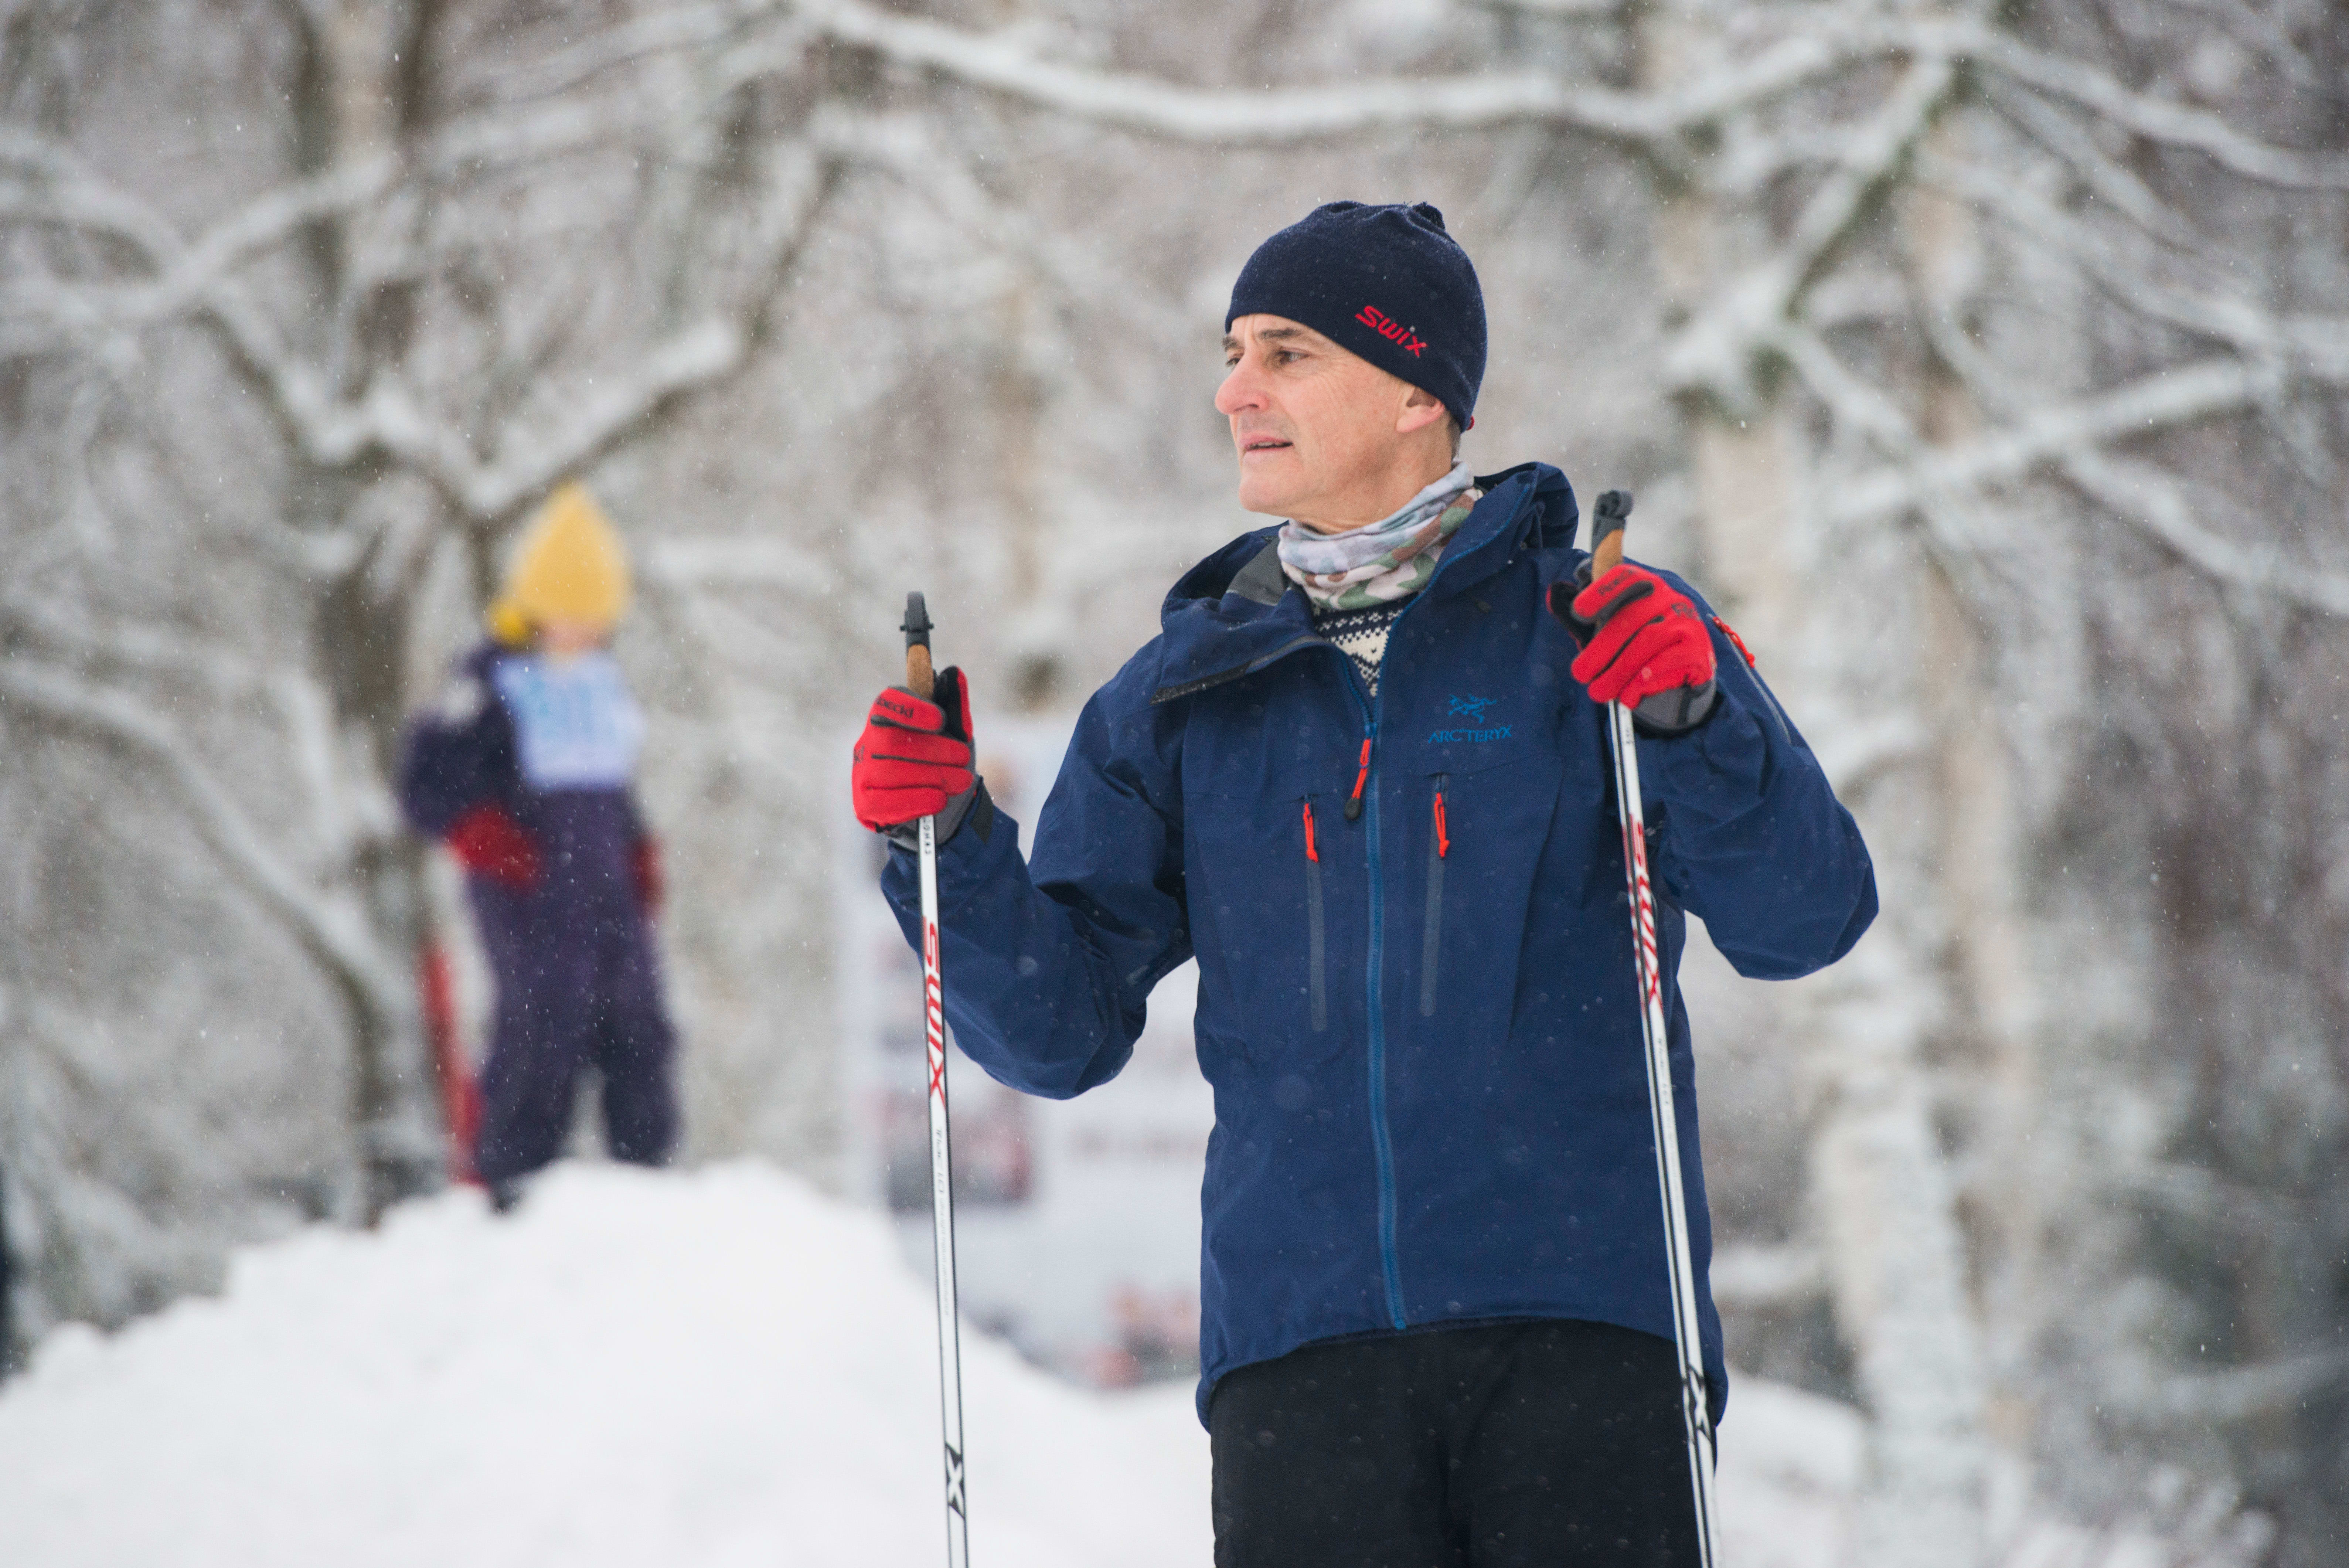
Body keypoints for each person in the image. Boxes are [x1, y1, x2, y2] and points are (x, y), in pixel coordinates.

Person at [851, 201, 1876, 1566]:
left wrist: (1695, 718)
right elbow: (1053, 1032)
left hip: (1584, 1333)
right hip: (1301, 1362)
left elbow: (1803, 918)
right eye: (1232, 355)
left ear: (1415, 391)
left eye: (1286, 353)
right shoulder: (1181, 695)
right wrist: (948, 844)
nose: (1235, 391)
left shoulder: (1597, 631)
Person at [401, 483, 677, 1209]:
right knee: (543, 1021)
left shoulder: (600, 680)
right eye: (569, 615)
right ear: (535, 605)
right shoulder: (488, 679)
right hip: (527, 890)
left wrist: (638, 851)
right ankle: (514, 1178)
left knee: (638, 1020)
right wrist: (482, 836)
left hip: (606, 887)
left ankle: (645, 1176)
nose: (581, 632)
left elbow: (612, 784)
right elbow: (425, 780)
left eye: (595, 619)